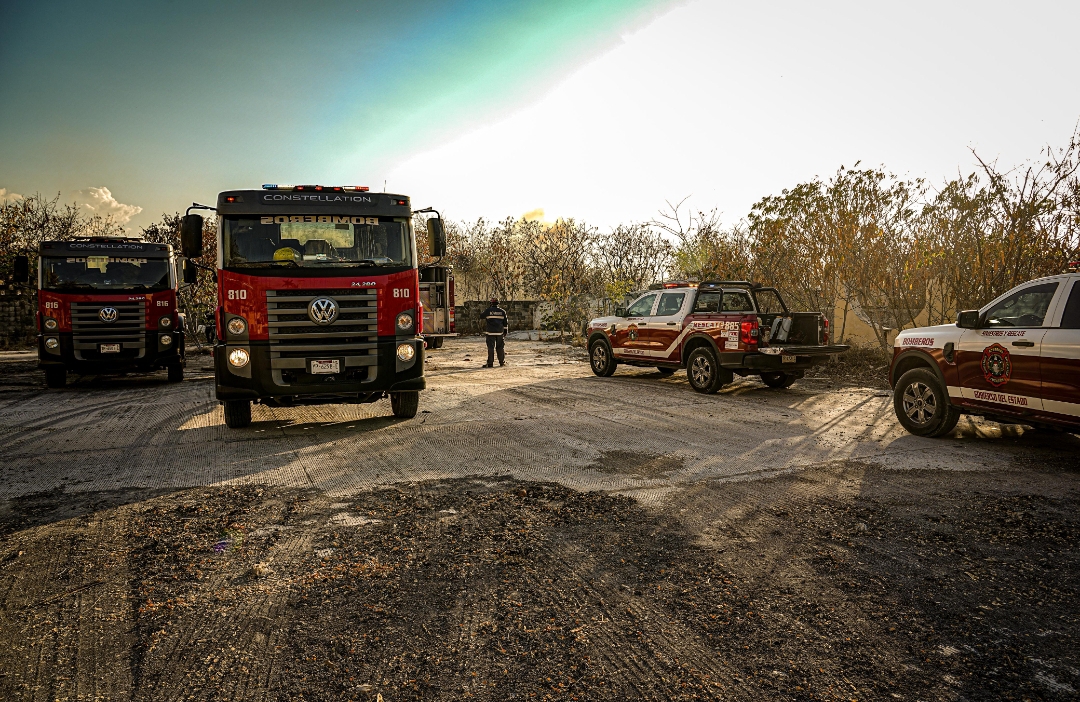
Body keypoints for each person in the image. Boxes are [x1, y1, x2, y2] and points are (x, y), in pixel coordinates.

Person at [479, 297, 508, 367]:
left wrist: (488, 310)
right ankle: (501, 362)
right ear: (498, 304)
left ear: (491, 303)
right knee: (500, 347)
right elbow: (505, 323)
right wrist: (505, 331)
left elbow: (481, 316)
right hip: (500, 332)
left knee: (491, 347)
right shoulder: (502, 311)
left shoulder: (488, 311)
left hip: (490, 332)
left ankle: (490, 363)